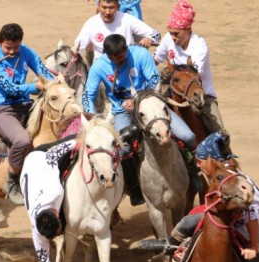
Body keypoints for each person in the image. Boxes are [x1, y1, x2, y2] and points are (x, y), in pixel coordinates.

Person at [138, 132, 259, 262]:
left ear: (211, 161)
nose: (198, 166)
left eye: (200, 162)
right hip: (234, 220)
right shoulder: (221, 172)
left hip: (253, 233)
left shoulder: (233, 180)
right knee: (191, 220)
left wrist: (255, 247)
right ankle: (170, 245)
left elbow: (252, 214)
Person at [82, 34, 196, 206]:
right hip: (123, 112)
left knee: (187, 136)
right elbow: (88, 94)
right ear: (108, 56)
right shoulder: (99, 66)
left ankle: (193, 171)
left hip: (151, 105)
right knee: (123, 149)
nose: (122, 59)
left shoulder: (140, 54)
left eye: (124, 55)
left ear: (127, 48)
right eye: (117, 58)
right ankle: (134, 187)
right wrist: (90, 116)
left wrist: (137, 100)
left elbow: (154, 79)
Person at [0, 23, 55, 205]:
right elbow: (10, 88)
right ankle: (12, 180)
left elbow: (43, 72)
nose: (12, 51)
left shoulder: (26, 51)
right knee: (22, 140)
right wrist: (36, 86)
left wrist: (55, 82)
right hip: (0, 109)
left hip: (24, 105)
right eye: (8, 48)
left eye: (16, 47)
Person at [153, 0, 228, 137]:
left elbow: (194, 72)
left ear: (188, 29)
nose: (173, 37)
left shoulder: (199, 45)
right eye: (171, 33)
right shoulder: (168, 39)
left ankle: (226, 157)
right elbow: (155, 60)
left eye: (177, 33)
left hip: (201, 95)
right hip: (173, 93)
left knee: (221, 135)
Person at [20, 136, 81, 262]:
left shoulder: (55, 190)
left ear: (56, 215)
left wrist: (76, 142)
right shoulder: (37, 228)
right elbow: (43, 257)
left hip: (41, 155)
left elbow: (53, 154)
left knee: (78, 138)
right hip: (32, 172)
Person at [76, 0, 160, 62]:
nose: (107, 12)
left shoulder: (127, 19)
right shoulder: (91, 23)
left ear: (118, 7)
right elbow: (78, 47)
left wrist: (149, 38)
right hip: (102, 69)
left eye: (111, 7)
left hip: (126, 66)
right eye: (104, 7)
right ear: (98, 6)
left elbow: (156, 34)